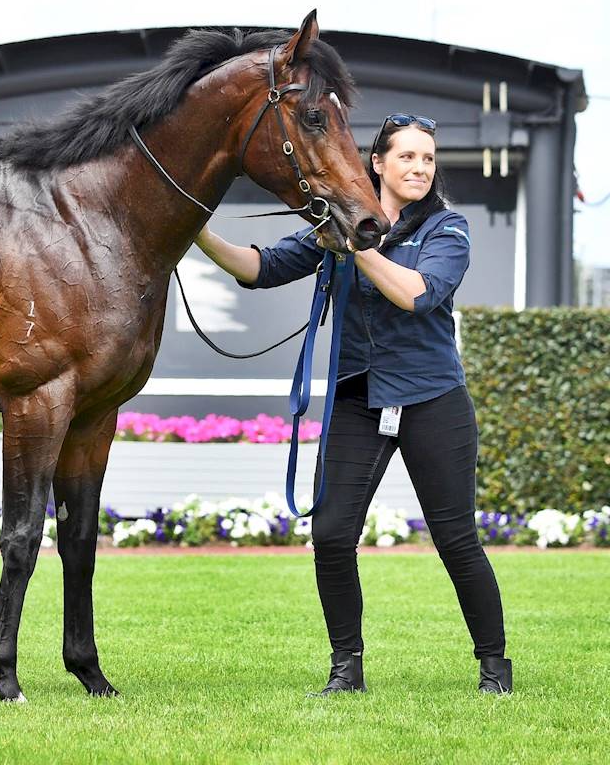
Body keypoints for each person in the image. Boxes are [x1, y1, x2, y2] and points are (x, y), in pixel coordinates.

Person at [194, 114, 512, 695]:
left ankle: (495, 667)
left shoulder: (448, 228)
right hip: (356, 398)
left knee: (456, 540)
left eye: (428, 159)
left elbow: (417, 294)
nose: (420, 168)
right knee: (332, 536)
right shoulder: (338, 225)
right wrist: (194, 231)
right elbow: (258, 267)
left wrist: (354, 245)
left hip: (432, 398)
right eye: (408, 157)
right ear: (378, 163)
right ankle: (347, 670)